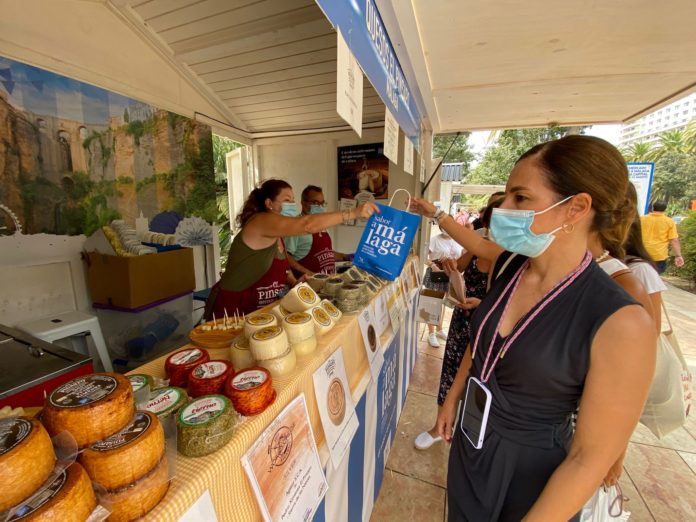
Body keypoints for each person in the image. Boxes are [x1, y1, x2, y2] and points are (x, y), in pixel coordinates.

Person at [409, 135, 656, 521]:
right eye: (506, 196)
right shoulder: (509, 266)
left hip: (534, 475)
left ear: (576, 208)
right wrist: (452, 397)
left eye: (520, 199)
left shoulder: (621, 319)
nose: (504, 209)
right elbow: (483, 346)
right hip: (471, 444)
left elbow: (588, 459)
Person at [205, 179, 378, 318]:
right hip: (233, 308)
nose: (292, 205)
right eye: (287, 200)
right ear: (269, 203)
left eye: (293, 200)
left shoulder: (276, 233)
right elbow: (308, 224)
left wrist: (295, 283)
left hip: (258, 309)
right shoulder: (260, 221)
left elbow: (281, 265)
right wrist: (352, 213)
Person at [414, 197, 503, 451]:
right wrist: (449, 267)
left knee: (480, 381)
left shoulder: (513, 259)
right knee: (450, 373)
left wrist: (481, 305)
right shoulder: (480, 246)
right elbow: (457, 267)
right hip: (462, 320)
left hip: (487, 327)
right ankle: (439, 427)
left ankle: (470, 434)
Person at [285, 185, 351, 276]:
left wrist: (345, 256)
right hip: (307, 284)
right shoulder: (297, 226)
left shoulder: (322, 226)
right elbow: (286, 257)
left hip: (327, 283)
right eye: (315, 203)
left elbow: (325, 252)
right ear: (303, 203)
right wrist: (309, 274)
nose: (319, 207)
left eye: (322, 203)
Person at [423, 230, 464, 347]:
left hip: (450, 275)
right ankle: (431, 333)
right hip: (435, 274)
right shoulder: (434, 240)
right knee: (432, 303)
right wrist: (432, 265)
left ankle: (439, 329)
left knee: (445, 302)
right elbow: (424, 255)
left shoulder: (457, 241)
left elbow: (461, 258)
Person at [641, 200, 684, 274]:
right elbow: (674, 240)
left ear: (653, 208)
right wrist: (678, 256)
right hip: (658, 256)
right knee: (654, 278)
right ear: (665, 209)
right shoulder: (669, 222)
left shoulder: (642, 219)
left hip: (641, 254)